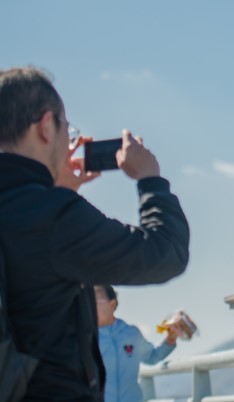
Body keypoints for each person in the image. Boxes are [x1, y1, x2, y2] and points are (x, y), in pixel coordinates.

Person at [0, 67, 190, 400]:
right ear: (46, 126)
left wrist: (59, 188)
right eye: (65, 127)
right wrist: (151, 182)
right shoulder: (53, 216)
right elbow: (165, 253)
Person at [94, 285, 181, 402]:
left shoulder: (131, 333)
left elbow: (151, 356)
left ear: (113, 304)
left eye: (96, 301)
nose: (90, 306)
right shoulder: (84, 338)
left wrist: (170, 339)